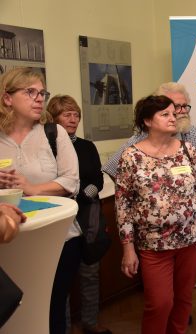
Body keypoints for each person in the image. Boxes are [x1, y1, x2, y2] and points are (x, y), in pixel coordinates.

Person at [116, 95, 196, 334]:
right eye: (165, 114)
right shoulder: (131, 156)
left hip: (190, 238)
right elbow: (123, 205)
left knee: (183, 301)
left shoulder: (189, 150)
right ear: (147, 121)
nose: (173, 118)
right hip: (153, 244)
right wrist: (127, 248)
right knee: (160, 303)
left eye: (174, 113)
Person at [0, 67, 80, 334]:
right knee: (14, 313)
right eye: (30, 92)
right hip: (10, 241)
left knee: (51, 310)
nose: (38, 98)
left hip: (58, 238)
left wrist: (31, 188)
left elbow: (71, 181)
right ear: (7, 98)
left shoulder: (53, 133)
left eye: (41, 92)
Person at [47, 95, 111, 334]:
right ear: (54, 119)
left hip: (86, 217)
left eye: (76, 115)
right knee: (58, 280)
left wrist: (79, 198)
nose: (73, 119)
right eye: (67, 115)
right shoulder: (47, 148)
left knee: (89, 272)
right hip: (57, 220)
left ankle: (90, 323)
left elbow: (98, 180)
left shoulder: (87, 146)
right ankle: (62, 327)